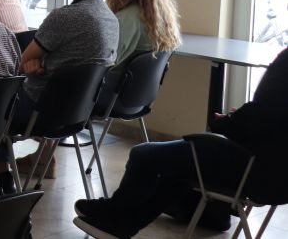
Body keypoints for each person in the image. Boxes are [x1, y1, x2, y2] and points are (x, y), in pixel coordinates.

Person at [74, 46, 288, 238]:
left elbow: (261, 118)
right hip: (278, 181)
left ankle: (116, 217)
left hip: (256, 170)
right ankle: (122, 221)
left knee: (143, 155)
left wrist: (226, 122)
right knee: (178, 169)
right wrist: (238, 118)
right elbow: (272, 119)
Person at [1, 0, 119, 178]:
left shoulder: (64, 17)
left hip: (39, 111)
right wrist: (41, 64)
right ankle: (32, 163)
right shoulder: (111, 19)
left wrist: (39, 64)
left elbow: (17, 64)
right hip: (77, 114)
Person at [97, 0, 182, 109]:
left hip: (112, 98)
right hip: (137, 101)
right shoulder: (156, 16)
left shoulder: (127, 20)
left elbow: (101, 65)